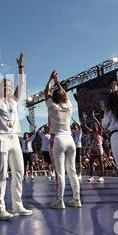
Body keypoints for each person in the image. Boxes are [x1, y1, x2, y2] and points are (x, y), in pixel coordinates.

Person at [0, 49, 33, 220]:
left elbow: (21, 84)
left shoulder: (14, 101)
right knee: (1, 175)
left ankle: (17, 205)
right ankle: (0, 208)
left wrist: (20, 66)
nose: (7, 88)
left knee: (19, 172)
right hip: (0, 137)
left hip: (14, 137)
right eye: (5, 86)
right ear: (0, 89)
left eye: (9, 86)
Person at [44, 71, 81, 209]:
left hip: (58, 139)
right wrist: (57, 82)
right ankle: (77, 199)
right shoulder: (69, 106)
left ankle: (60, 201)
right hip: (70, 140)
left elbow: (45, 91)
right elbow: (64, 93)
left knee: (60, 173)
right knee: (72, 171)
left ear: (53, 97)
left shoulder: (52, 106)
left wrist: (50, 79)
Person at [82, 111, 105, 183]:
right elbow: (85, 126)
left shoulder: (100, 131)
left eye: (95, 126)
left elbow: (99, 123)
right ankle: (91, 176)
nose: (94, 127)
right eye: (93, 126)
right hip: (93, 147)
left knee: (100, 162)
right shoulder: (92, 132)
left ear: (97, 126)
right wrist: (84, 119)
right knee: (91, 162)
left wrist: (94, 116)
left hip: (99, 147)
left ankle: (101, 177)